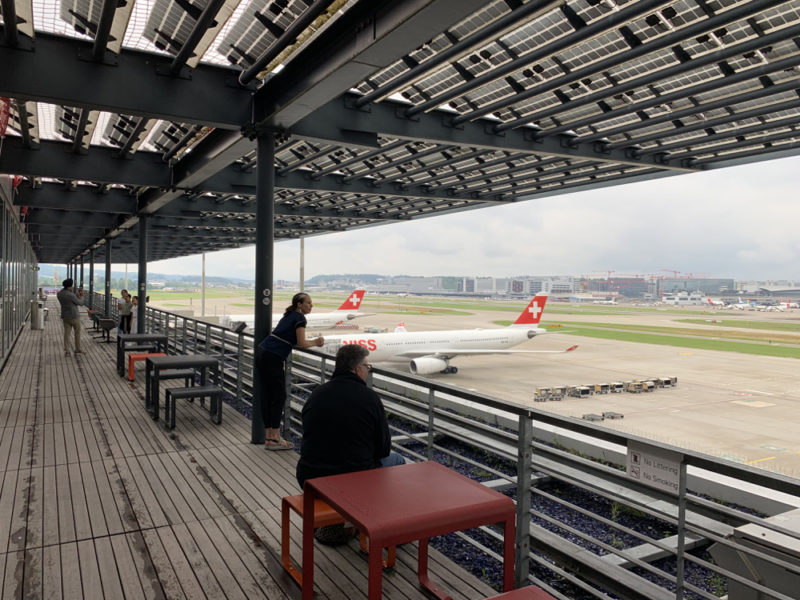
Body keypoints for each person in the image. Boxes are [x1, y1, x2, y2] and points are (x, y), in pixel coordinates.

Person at [296, 344, 405, 488]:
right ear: (358, 370)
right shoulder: (370, 398)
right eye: (368, 367)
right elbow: (383, 449)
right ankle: (383, 506)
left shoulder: (317, 394)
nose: (368, 371)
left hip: (309, 477)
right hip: (351, 480)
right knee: (397, 459)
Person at [257, 293, 324, 450]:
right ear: (299, 304)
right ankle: (274, 438)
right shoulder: (300, 319)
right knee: (279, 396)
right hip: (273, 357)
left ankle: (269, 437)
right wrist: (316, 342)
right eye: (308, 302)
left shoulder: (289, 315)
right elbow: (301, 342)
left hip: (263, 352)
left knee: (267, 395)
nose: (311, 305)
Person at [56, 278, 85, 356]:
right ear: (70, 286)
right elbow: (80, 303)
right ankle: (77, 349)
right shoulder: (71, 295)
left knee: (67, 334)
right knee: (77, 333)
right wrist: (81, 296)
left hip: (65, 316)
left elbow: (69, 301)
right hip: (74, 316)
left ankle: (67, 351)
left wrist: (75, 295)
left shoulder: (59, 294)